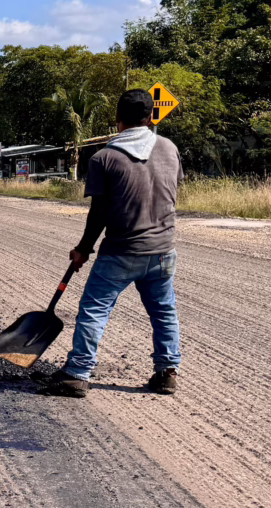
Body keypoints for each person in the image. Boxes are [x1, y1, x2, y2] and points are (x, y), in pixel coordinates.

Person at [45, 89, 183, 398]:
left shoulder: (105, 157)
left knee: (94, 310)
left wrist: (84, 249)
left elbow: (99, 212)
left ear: (118, 117)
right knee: (164, 312)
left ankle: (77, 373)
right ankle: (167, 373)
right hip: (163, 251)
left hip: (121, 252)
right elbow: (171, 190)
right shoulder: (169, 148)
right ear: (150, 117)